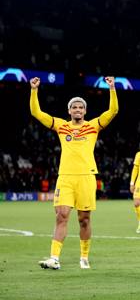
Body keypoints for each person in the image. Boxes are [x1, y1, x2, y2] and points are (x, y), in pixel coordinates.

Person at [32, 76, 118, 270]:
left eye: (80, 107)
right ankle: (54, 258)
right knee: (61, 215)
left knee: (84, 219)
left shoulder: (93, 126)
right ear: (69, 111)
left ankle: (84, 257)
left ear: (85, 111)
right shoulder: (61, 126)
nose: (77, 109)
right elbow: (36, 112)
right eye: (74, 107)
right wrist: (34, 90)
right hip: (66, 177)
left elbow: (113, 111)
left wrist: (112, 88)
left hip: (87, 177)